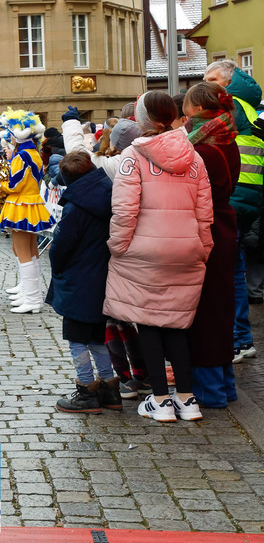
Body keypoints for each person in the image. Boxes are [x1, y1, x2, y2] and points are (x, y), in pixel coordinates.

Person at [104, 91, 214, 423]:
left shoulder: (132, 157)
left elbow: (124, 210)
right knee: (177, 324)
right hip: (186, 249)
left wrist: (118, 246)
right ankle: (187, 397)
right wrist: (202, 248)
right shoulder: (194, 157)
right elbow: (204, 212)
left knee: (149, 323)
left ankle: (161, 400)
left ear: (142, 119)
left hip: (143, 251)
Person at [49, 151, 121, 413]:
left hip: (78, 278)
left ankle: (87, 391)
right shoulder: (110, 191)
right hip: (102, 274)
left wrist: (57, 268)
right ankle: (109, 388)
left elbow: (61, 246)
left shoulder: (75, 205)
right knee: (97, 336)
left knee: (77, 337)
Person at [182, 82, 240, 408]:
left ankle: (210, 391)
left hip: (209, 231)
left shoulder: (203, 148)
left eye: (187, 107)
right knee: (220, 307)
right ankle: (225, 386)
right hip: (224, 227)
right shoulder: (225, 137)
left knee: (205, 311)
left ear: (198, 108)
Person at [204, 60, 261, 362]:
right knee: (236, 268)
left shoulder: (228, 106)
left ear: (227, 81)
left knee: (230, 272)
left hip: (233, 194)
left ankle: (238, 339)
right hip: (250, 194)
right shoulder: (251, 107)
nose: (206, 83)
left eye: (211, 78)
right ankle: (242, 337)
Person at [0, 109, 54, 313]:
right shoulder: (34, 153)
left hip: (21, 204)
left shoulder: (21, 156)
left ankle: (32, 299)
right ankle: (30, 294)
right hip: (31, 203)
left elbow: (15, 185)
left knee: (23, 251)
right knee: (30, 249)